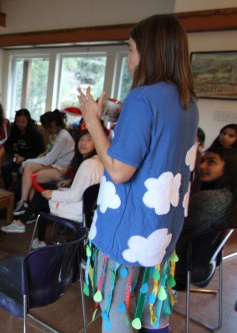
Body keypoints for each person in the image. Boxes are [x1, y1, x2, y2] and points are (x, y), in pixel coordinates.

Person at [77, 14, 198, 332]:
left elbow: (118, 171)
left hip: (129, 231)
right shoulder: (186, 100)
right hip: (160, 231)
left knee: (118, 315)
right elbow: (159, 141)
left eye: (130, 49)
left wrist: (92, 120)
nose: (129, 58)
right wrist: (118, 115)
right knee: (150, 312)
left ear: (149, 52)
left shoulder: (143, 98)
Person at [2, 130, 103, 242]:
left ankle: (23, 224)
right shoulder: (97, 161)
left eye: (89, 139)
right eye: (81, 139)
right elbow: (86, 185)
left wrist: (52, 194)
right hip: (86, 208)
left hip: (76, 209)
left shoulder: (87, 164)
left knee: (43, 196)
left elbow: (75, 196)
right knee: (43, 193)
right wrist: (70, 181)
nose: (83, 143)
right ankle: (37, 238)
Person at [174, 147, 237, 286]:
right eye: (202, 160)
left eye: (211, 162)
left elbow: (175, 228)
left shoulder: (210, 199)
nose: (202, 166)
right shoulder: (229, 196)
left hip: (180, 264)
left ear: (229, 167)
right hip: (202, 263)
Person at [13, 109, 75, 217]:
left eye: (45, 127)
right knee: (29, 169)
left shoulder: (63, 136)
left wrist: (25, 161)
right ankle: (25, 204)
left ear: (52, 125)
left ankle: (28, 206)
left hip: (64, 171)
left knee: (30, 175)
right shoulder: (58, 134)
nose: (45, 130)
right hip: (55, 166)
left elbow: (48, 160)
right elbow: (49, 155)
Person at [1, 108, 45, 190]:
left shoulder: (35, 134)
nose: (20, 124)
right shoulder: (15, 130)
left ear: (28, 121)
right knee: (5, 167)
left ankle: (17, 193)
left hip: (30, 160)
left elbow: (40, 152)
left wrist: (24, 158)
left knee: (20, 172)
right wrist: (14, 154)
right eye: (18, 122)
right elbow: (7, 144)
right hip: (17, 158)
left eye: (23, 122)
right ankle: (9, 189)